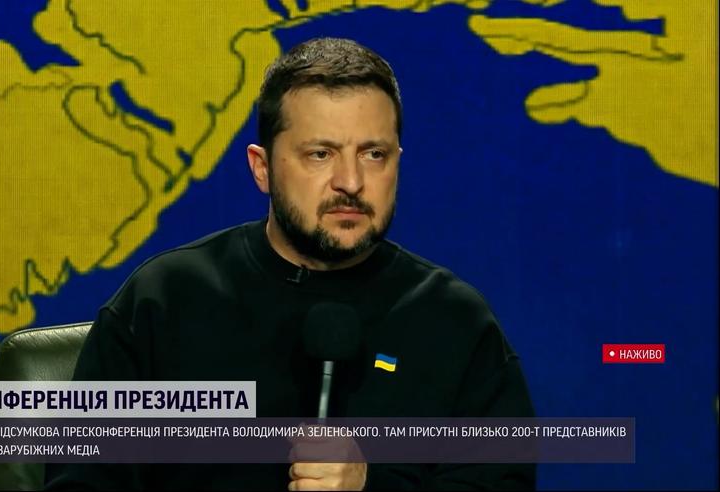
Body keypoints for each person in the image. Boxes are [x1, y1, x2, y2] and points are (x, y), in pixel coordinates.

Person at [45, 37, 534, 491]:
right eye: (321, 154)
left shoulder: (452, 322)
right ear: (262, 168)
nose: (351, 181)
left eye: (373, 154)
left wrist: (371, 485)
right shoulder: (166, 300)